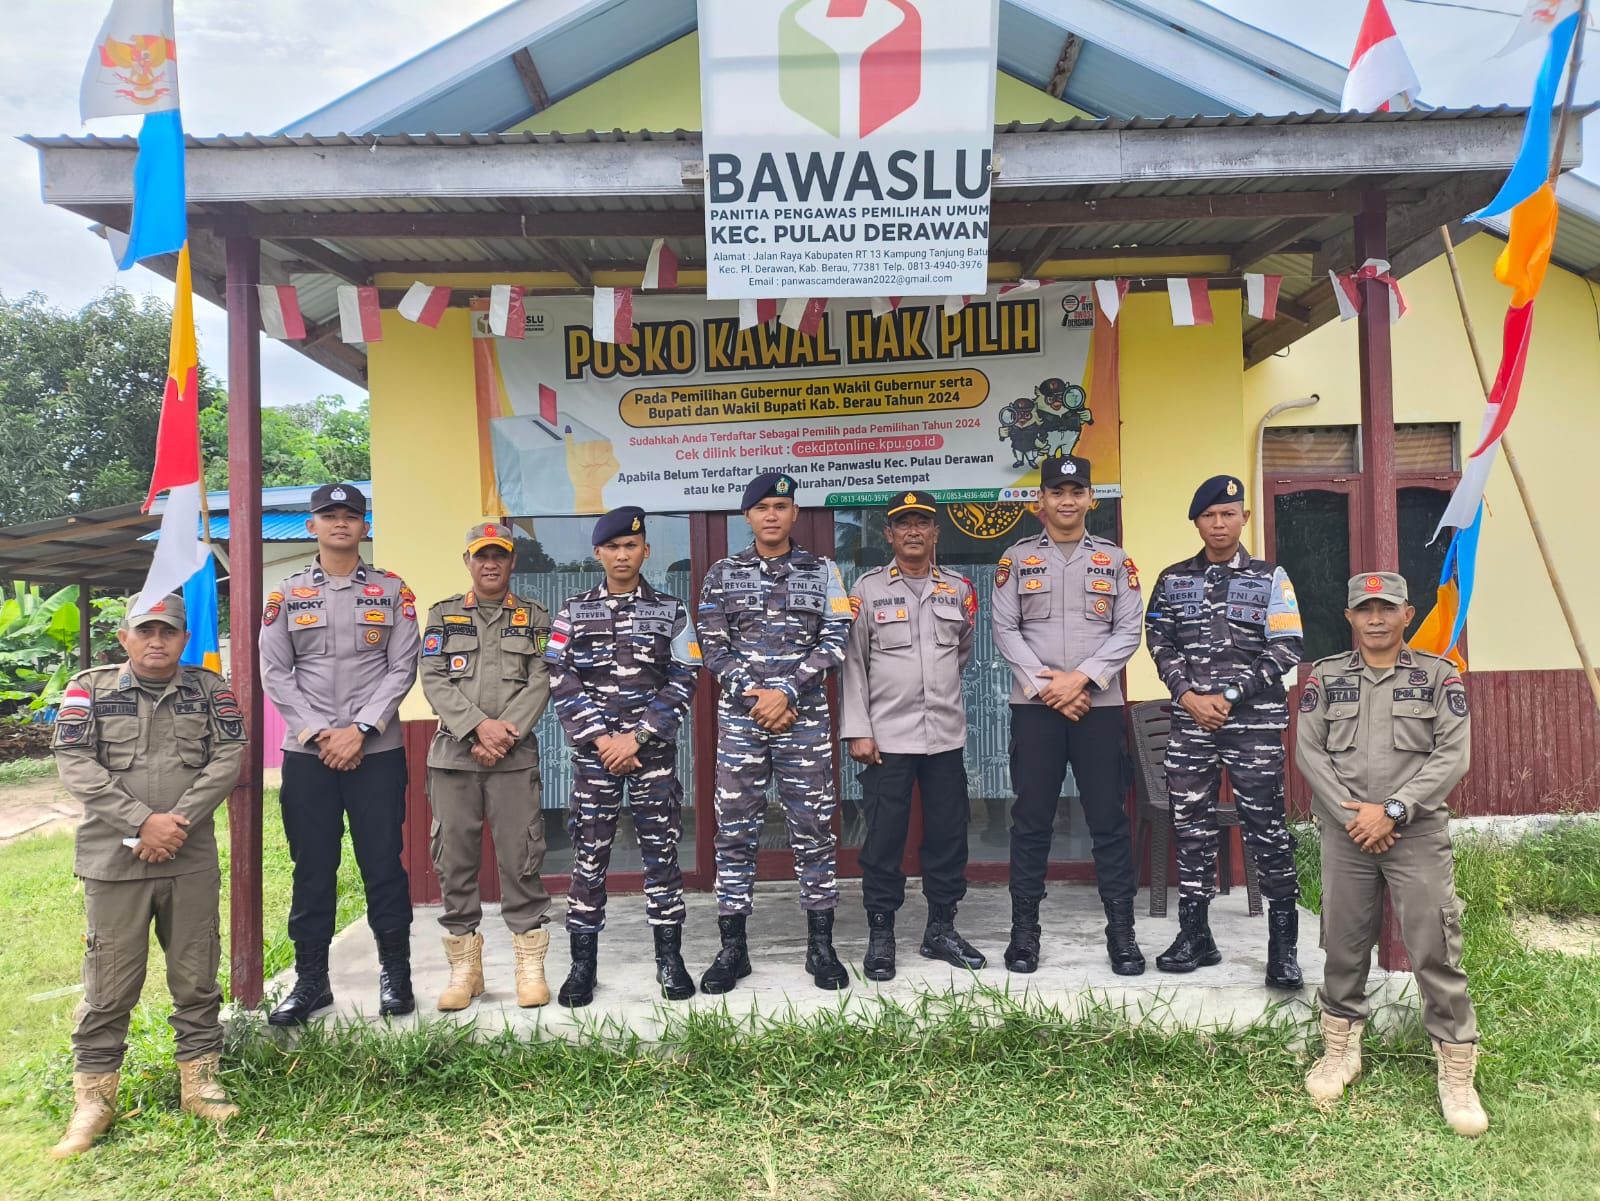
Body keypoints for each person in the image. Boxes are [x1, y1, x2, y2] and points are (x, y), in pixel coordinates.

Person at [49, 592, 247, 1157]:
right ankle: (93, 1100)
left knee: (196, 973)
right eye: (145, 630)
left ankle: (200, 1082)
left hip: (188, 855)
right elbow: (75, 763)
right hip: (114, 862)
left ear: (185, 639)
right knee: (108, 984)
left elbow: (227, 758)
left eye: (168, 631)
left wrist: (173, 825)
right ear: (124, 637)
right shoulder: (90, 688)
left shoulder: (209, 689)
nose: (157, 641)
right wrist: (142, 822)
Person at [1296, 572, 1485, 1136]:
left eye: (1387, 608)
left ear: (1408, 614)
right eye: (1364, 609)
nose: (1375, 619)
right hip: (1348, 835)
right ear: (1349, 617)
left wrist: (1394, 811)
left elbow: (1452, 755)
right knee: (1343, 943)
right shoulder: (1325, 677)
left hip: (1416, 834)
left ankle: (1457, 1072)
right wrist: (1356, 817)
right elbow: (1309, 753)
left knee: (1435, 948)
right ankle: (1340, 1050)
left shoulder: (1438, 676)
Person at [259, 482, 422, 1024]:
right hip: (309, 755)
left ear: (364, 526)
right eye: (329, 515)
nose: (340, 523)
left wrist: (361, 729)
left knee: (383, 864)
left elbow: (402, 667)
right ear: (312, 526)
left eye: (351, 515)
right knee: (312, 868)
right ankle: (311, 982)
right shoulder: (285, 595)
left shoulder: (392, 590)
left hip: (377, 752)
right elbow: (275, 671)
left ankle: (395, 976)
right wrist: (317, 733)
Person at [696, 471, 854, 992]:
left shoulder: (823, 572)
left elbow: (836, 636)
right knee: (735, 832)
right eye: (762, 507)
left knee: (814, 829)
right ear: (747, 516)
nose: (771, 515)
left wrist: (786, 691)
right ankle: (733, 949)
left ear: (794, 514)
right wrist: (756, 696)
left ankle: (820, 947)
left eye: (781, 506)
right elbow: (711, 645)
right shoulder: (722, 573)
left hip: (802, 720)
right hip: (742, 722)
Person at [1144, 474, 1304, 987]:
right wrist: (1188, 697)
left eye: (1228, 514)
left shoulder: (1271, 578)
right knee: (1191, 827)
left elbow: (1287, 646)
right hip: (1192, 725)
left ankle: (1283, 949)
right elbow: (1159, 640)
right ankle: (1195, 936)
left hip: (1252, 725)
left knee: (1267, 830)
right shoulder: (1172, 579)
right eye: (1209, 516)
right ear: (1197, 522)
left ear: (1244, 519)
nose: (1219, 523)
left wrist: (1230, 696)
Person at [990, 454, 1146, 975]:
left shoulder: (1115, 560)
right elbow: (1004, 629)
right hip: (1035, 710)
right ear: (1040, 500)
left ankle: (1121, 934)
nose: (1066, 500)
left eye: (1076, 491)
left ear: (1090, 499)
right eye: (1056, 491)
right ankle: (1024, 934)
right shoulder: (1015, 559)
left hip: (1097, 707)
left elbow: (1128, 630)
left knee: (1109, 820)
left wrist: (1081, 680)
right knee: (1031, 821)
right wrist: (1048, 687)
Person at [546, 506, 701, 1006]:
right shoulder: (572, 611)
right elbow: (559, 676)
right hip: (596, 759)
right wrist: (602, 741)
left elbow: (685, 676)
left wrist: (637, 738)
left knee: (662, 854)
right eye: (612, 547)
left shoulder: (672, 611)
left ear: (645, 551)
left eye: (630, 546)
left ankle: (669, 959)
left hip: (651, 755)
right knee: (589, 856)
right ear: (598, 553)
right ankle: (583, 965)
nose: (621, 554)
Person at [840, 490, 984, 980]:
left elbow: (961, 652)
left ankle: (941, 929)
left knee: (948, 836)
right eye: (904, 524)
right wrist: (858, 730)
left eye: (923, 522)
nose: (914, 531)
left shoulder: (958, 589)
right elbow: (853, 665)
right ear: (889, 534)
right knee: (884, 839)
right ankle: (881, 934)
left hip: (944, 736)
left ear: (936, 532)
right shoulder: (867, 590)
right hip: (886, 740)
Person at [418, 522, 555, 1012]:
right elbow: (432, 676)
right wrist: (478, 729)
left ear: (512, 561)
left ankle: (529, 967)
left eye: (499, 555)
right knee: (454, 860)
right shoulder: (443, 615)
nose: (490, 564)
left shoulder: (535, 617)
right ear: (468, 561)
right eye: (482, 556)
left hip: (513, 760)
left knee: (522, 858)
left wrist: (502, 735)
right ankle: (465, 970)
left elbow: (542, 676)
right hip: (454, 759)